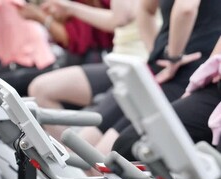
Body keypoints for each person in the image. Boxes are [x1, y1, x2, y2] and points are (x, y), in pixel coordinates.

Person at [77, 0, 221, 155]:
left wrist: (172, 57)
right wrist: (162, 53)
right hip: (164, 71)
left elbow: (185, 8)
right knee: (99, 153)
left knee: (107, 156)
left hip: (185, 73)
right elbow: (145, 9)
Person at [27, 0, 147, 141]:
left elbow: (119, 18)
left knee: (87, 147)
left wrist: (44, 18)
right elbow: (113, 21)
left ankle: (73, 154)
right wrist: (70, 9)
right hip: (115, 62)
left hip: (136, 67)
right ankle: (67, 153)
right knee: (40, 89)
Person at [113, 36, 221, 161]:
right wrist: (204, 75)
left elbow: (184, 14)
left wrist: (173, 57)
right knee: (127, 146)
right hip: (211, 87)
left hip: (182, 75)